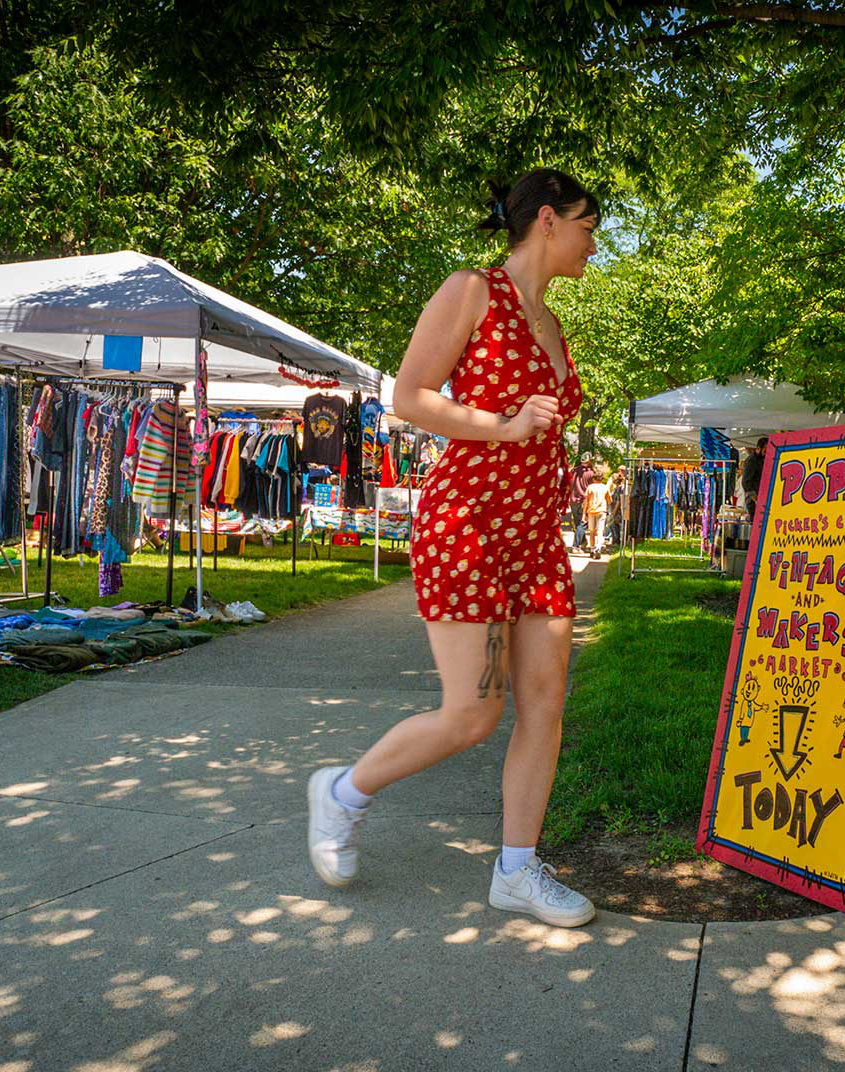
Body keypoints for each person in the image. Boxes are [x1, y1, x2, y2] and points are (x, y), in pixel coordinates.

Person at [306, 168, 601, 928]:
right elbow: (408, 397)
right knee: (473, 714)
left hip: (534, 535)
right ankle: (341, 793)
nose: (593, 243)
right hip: (467, 523)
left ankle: (516, 870)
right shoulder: (473, 290)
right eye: (587, 225)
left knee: (545, 703)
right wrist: (502, 426)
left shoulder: (553, 323)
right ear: (545, 221)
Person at [584, 463, 610, 559]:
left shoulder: (590, 487)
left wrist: (584, 513)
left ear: (594, 478)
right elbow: (609, 500)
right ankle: (598, 548)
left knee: (591, 531)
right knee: (600, 531)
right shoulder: (605, 487)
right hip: (601, 511)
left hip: (591, 511)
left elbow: (586, 501)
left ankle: (591, 548)